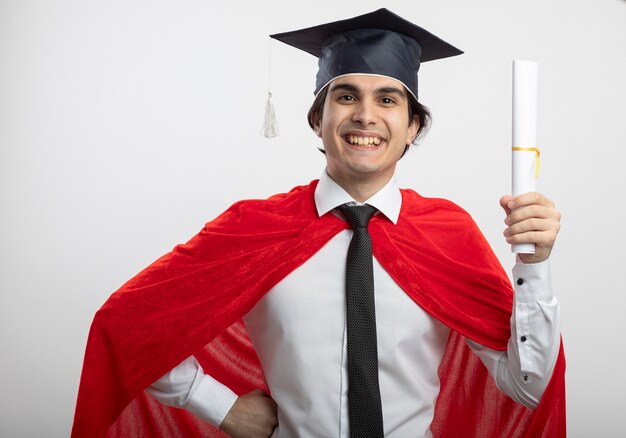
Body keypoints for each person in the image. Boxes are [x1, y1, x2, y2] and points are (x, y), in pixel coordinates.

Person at [72, 8, 565, 438]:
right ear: (317, 119)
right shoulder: (255, 226)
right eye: (346, 96)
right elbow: (127, 330)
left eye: (389, 100)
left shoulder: (446, 233)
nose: (366, 116)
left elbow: (526, 385)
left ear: (413, 126)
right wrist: (221, 407)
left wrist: (536, 266)